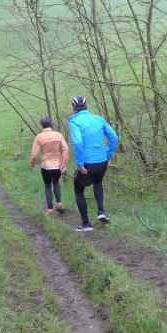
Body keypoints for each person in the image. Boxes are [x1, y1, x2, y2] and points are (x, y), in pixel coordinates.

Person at [68, 96, 118, 232]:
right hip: (102, 161)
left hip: (87, 163)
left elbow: (78, 142)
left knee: (79, 191)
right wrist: (108, 155)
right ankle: (101, 211)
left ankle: (86, 224)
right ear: (87, 107)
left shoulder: (74, 121)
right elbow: (114, 138)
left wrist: (80, 164)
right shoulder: (99, 119)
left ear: (74, 108)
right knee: (98, 183)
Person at [30, 116, 69, 215]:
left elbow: (34, 155)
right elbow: (65, 149)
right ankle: (59, 204)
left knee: (47, 185)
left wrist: (32, 164)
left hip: (46, 167)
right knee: (56, 182)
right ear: (51, 123)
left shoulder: (39, 137)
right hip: (58, 166)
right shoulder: (59, 135)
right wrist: (64, 163)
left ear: (41, 125)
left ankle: (50, 209)